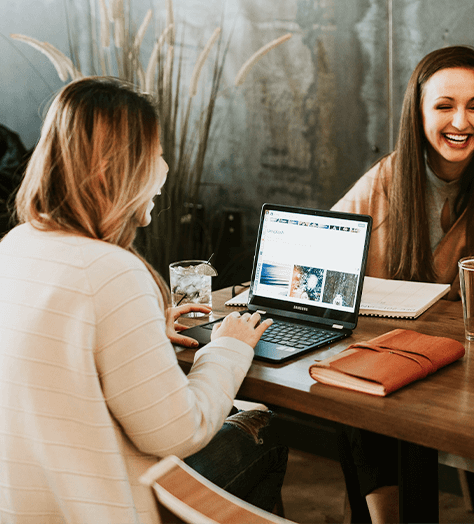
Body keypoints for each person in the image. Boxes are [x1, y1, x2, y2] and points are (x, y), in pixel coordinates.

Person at [0, 77, 287, 524]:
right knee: (265, 429)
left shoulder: (16, 245)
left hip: (27, 505)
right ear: (113, 170)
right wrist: (228, 347)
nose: (164, 167)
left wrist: (146, 329)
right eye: (153, 155)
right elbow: (177, 432)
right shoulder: (112, 271)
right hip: (100, 508)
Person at [332, 45, 474, 523]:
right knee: (354, 390)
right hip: (391, 363)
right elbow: (330, 246)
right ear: (419, 112)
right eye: (444, 106)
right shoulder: (390, 176)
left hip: (473, 379)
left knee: (367, 396)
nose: (462, 121)